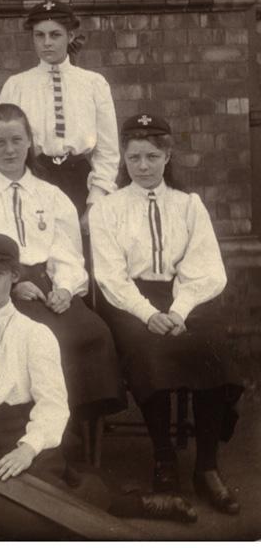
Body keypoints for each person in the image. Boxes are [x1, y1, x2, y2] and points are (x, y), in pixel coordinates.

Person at [0, 233, 198, 539]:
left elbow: (52, 405)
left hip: (17, 433)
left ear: (14, 276)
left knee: (39, 496)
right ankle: (93, 510)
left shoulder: (35, 333)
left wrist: (27, 449)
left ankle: (133, 504)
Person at [89, 112, 244, 514]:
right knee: (148, 351)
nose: (143, 166)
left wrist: (179, 310)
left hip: (184, 296)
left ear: (168, 156)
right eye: (134, 157)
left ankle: (207, 467)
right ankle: (164, 459)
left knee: (211, 348)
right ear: (123, 158)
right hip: (129, 301)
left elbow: (206, 266)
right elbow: (110, 276)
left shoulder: (188, 205)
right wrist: (148, 314)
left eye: (152, 157)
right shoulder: (108, 209)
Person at [0, 103, 123, 419]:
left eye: (17, 140)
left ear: (29, 141)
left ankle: (77, 425)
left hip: (46, 285)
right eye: (0, 142)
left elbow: (67, 251)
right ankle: (41, 424)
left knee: (93, 334)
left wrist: (65, 288)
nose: (10, 150)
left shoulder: (49, 194)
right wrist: (7, 286)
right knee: (39, 340)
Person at [0, 0, 119, 225]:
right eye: (39, 35)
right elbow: (5, 145)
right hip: (33, 180)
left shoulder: (93, 83)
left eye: (55, 35)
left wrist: (95, 200)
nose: (47, 43)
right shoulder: (16, 85)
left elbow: (107, 150)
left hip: (79, 181)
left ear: (70, 36)